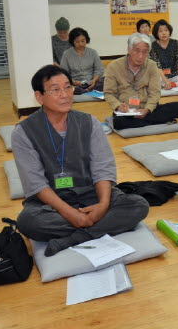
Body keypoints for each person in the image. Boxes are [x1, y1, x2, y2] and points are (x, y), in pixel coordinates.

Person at [13, 65, 149, 257]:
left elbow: (102, 168)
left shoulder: (89, 122)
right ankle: (100, 227)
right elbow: (36, 183)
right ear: (39, 96)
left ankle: (76, 238)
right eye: (55, 90)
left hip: (90, 194)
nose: (65, 95)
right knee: (28, 222)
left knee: (138, 205)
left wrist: (102, 205)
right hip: (52, 202)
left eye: (68, 87)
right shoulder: (24, 131)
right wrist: (70, 214)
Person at [104, 33, 178, 130]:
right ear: (129, 50)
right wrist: (118, 106)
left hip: (147, 109)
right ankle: (157, 120)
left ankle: (143, 121)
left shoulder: (152, 66)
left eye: (145, 52)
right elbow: (108, 93)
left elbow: (155, 92)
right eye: (137, 51)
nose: (140, 56)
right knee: (119, 122)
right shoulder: (114, 66)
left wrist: (147, 109)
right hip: (126, 112)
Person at [59, 27, 104, 94]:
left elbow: (99, 69)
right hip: (75, 84)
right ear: (72, 41)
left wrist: (94, 80)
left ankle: (87, 90)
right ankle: (85, 91)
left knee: (106, 80)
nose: (80, 44)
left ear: (86, 40)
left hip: (92, 82)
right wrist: (72, 81)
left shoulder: (93, 52)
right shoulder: (66, 54)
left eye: (83, 41)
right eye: (77, 42)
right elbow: (64, 72)